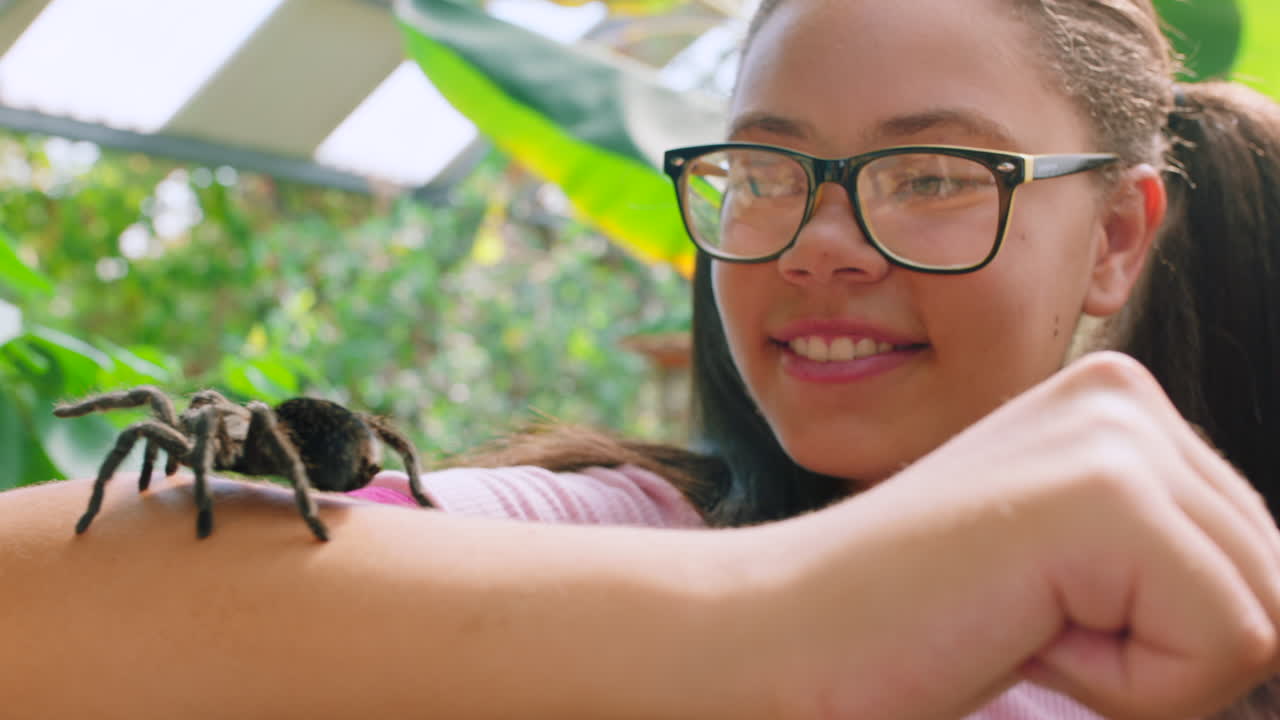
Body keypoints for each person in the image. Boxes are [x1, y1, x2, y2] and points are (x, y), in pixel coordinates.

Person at [3, 0, 1280, 717]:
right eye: (765, 172)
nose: (819, 245)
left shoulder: (1203, 645)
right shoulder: (620, 535)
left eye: (933, 175)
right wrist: (794, 618)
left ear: (1114, 235)